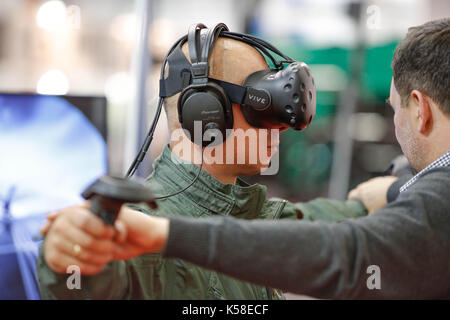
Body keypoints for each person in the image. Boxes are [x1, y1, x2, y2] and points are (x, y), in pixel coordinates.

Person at [43, 18, 450, 299]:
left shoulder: (256, 216)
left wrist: (390, 192)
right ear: (205, 112)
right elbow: (85, 280)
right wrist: (68, 255)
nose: (281, 123)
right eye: (262, 103)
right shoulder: (138, 232)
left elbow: (327, 229)